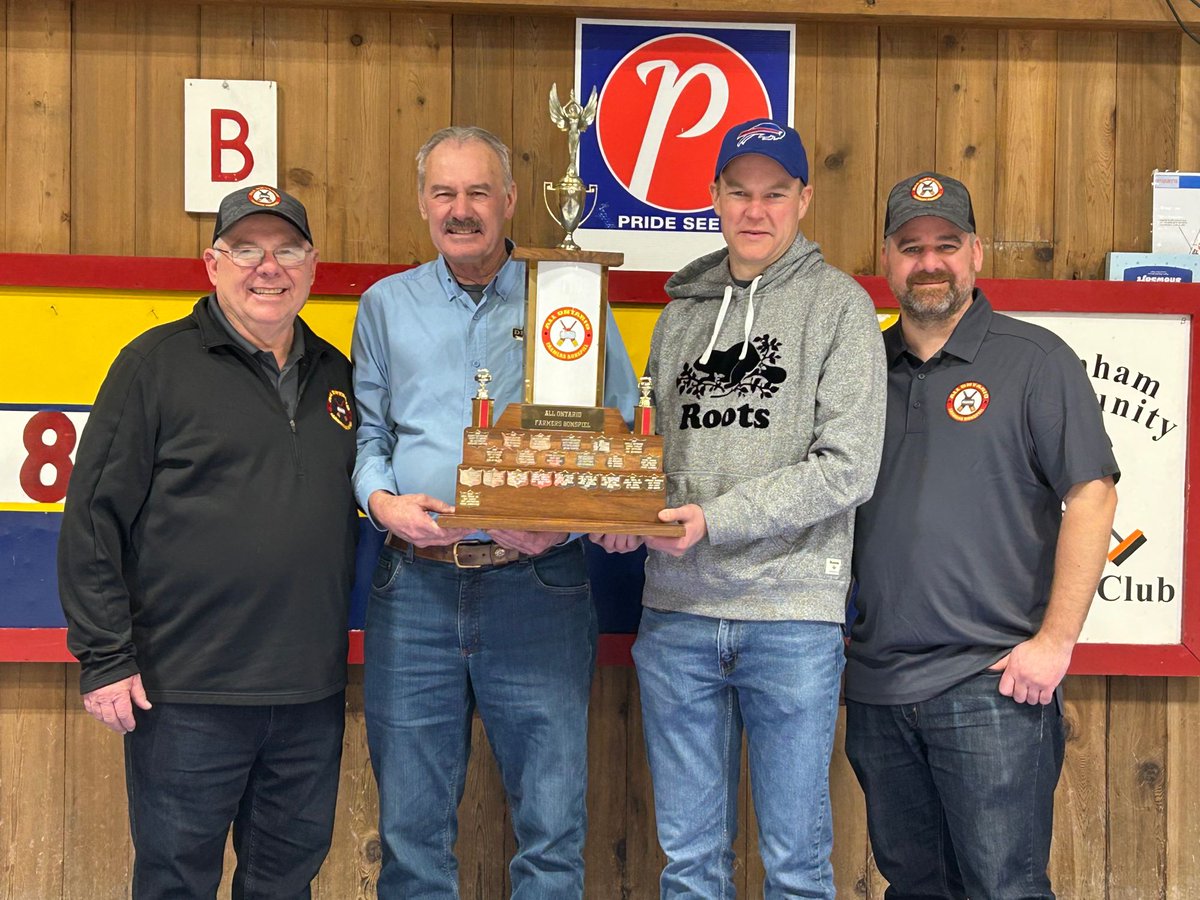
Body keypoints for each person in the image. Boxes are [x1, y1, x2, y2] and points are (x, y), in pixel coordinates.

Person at [593, 117, 886, 898]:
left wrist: (713, 519)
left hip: (792, 619)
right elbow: (654, 451)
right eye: (739, 192)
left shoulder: (841, 308)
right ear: (713, 197)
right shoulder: (683, 311)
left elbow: (846, 469)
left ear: (804, 200)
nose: (755, 211)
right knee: (690, 867)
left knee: (796, 867)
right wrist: (628, 516)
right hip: (679, 616)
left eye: (774, 194)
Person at [352, 125, 638, 899]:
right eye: (444, 193)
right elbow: (369, 437)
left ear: (510, 201)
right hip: (414, 588)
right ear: (422, 203)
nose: (461, 209)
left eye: (479, 191)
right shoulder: (385, 306)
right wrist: (381, 501)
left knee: (552, 834)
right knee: (411, 838)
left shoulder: (570, 294)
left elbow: (616, 429)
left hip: (538, 587)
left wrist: (568, 521)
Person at [57, 185, 359, 898]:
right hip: (185, 693)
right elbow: (93, 517)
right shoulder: (154, 366)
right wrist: (104, 658)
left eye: (287, 250)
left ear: (312, 267)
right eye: (246, 249)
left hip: (308, 693)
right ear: (212, 264)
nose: (268, 268)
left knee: (285, 882)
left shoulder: (338, 374)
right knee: (174, 883)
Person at [844, 172, 1119, 899]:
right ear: (887, 259)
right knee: (913, 888)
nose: (928, 262)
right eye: (911, 247)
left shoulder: (1035, 360)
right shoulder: (860, 370)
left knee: (1005, 888)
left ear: (976, 253)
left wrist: (1055, 642)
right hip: (876, 689)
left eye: (946, 244)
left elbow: (1092, 495)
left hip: (993, 686)